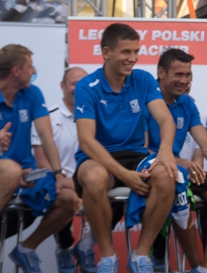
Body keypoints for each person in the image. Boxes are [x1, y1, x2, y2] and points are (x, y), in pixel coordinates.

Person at [73, 23, 179, 273]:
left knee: (166, 174)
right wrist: (124, 176)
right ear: (106, 52)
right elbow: (87, 141)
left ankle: (141, 256)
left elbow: (165, 120)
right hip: (98, 157)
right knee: (94, 176)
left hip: (135, 155)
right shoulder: (86, 86)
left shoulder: (142, 79)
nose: (132, 58)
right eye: (125, 52)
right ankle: (108, 257)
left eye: (136, 51)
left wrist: (165, 152)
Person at [145, 49, 207, 273]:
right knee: (178, 186)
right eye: (178, 74)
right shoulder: (147, 98)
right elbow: (142, 150)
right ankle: (191, 264)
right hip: (153, 171)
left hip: (180, 172)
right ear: (161, 73)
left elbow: (206, 145)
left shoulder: (186, 103)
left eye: (188, 75)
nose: (184, 81)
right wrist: (182, 163)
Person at [0, 45, 82, 273]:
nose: (33, 71)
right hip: (7, 173)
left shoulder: (32, 93)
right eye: (30, 66)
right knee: (9, 170)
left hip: (27, 174)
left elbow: (46, 136)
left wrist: (59, 174)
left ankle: (26, 248)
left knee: (69, 198)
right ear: (16, 71)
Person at [30, 66, 87, 272]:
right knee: (66, 195)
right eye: (73, 83)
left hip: (88, 182)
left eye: (83, 84)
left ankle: (86, 248)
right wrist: (64, 179)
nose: (78, 88)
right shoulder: (49, 117)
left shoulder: (97, 118)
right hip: (58, 181)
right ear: (62, 86)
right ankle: (65, 248)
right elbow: (41, 160)